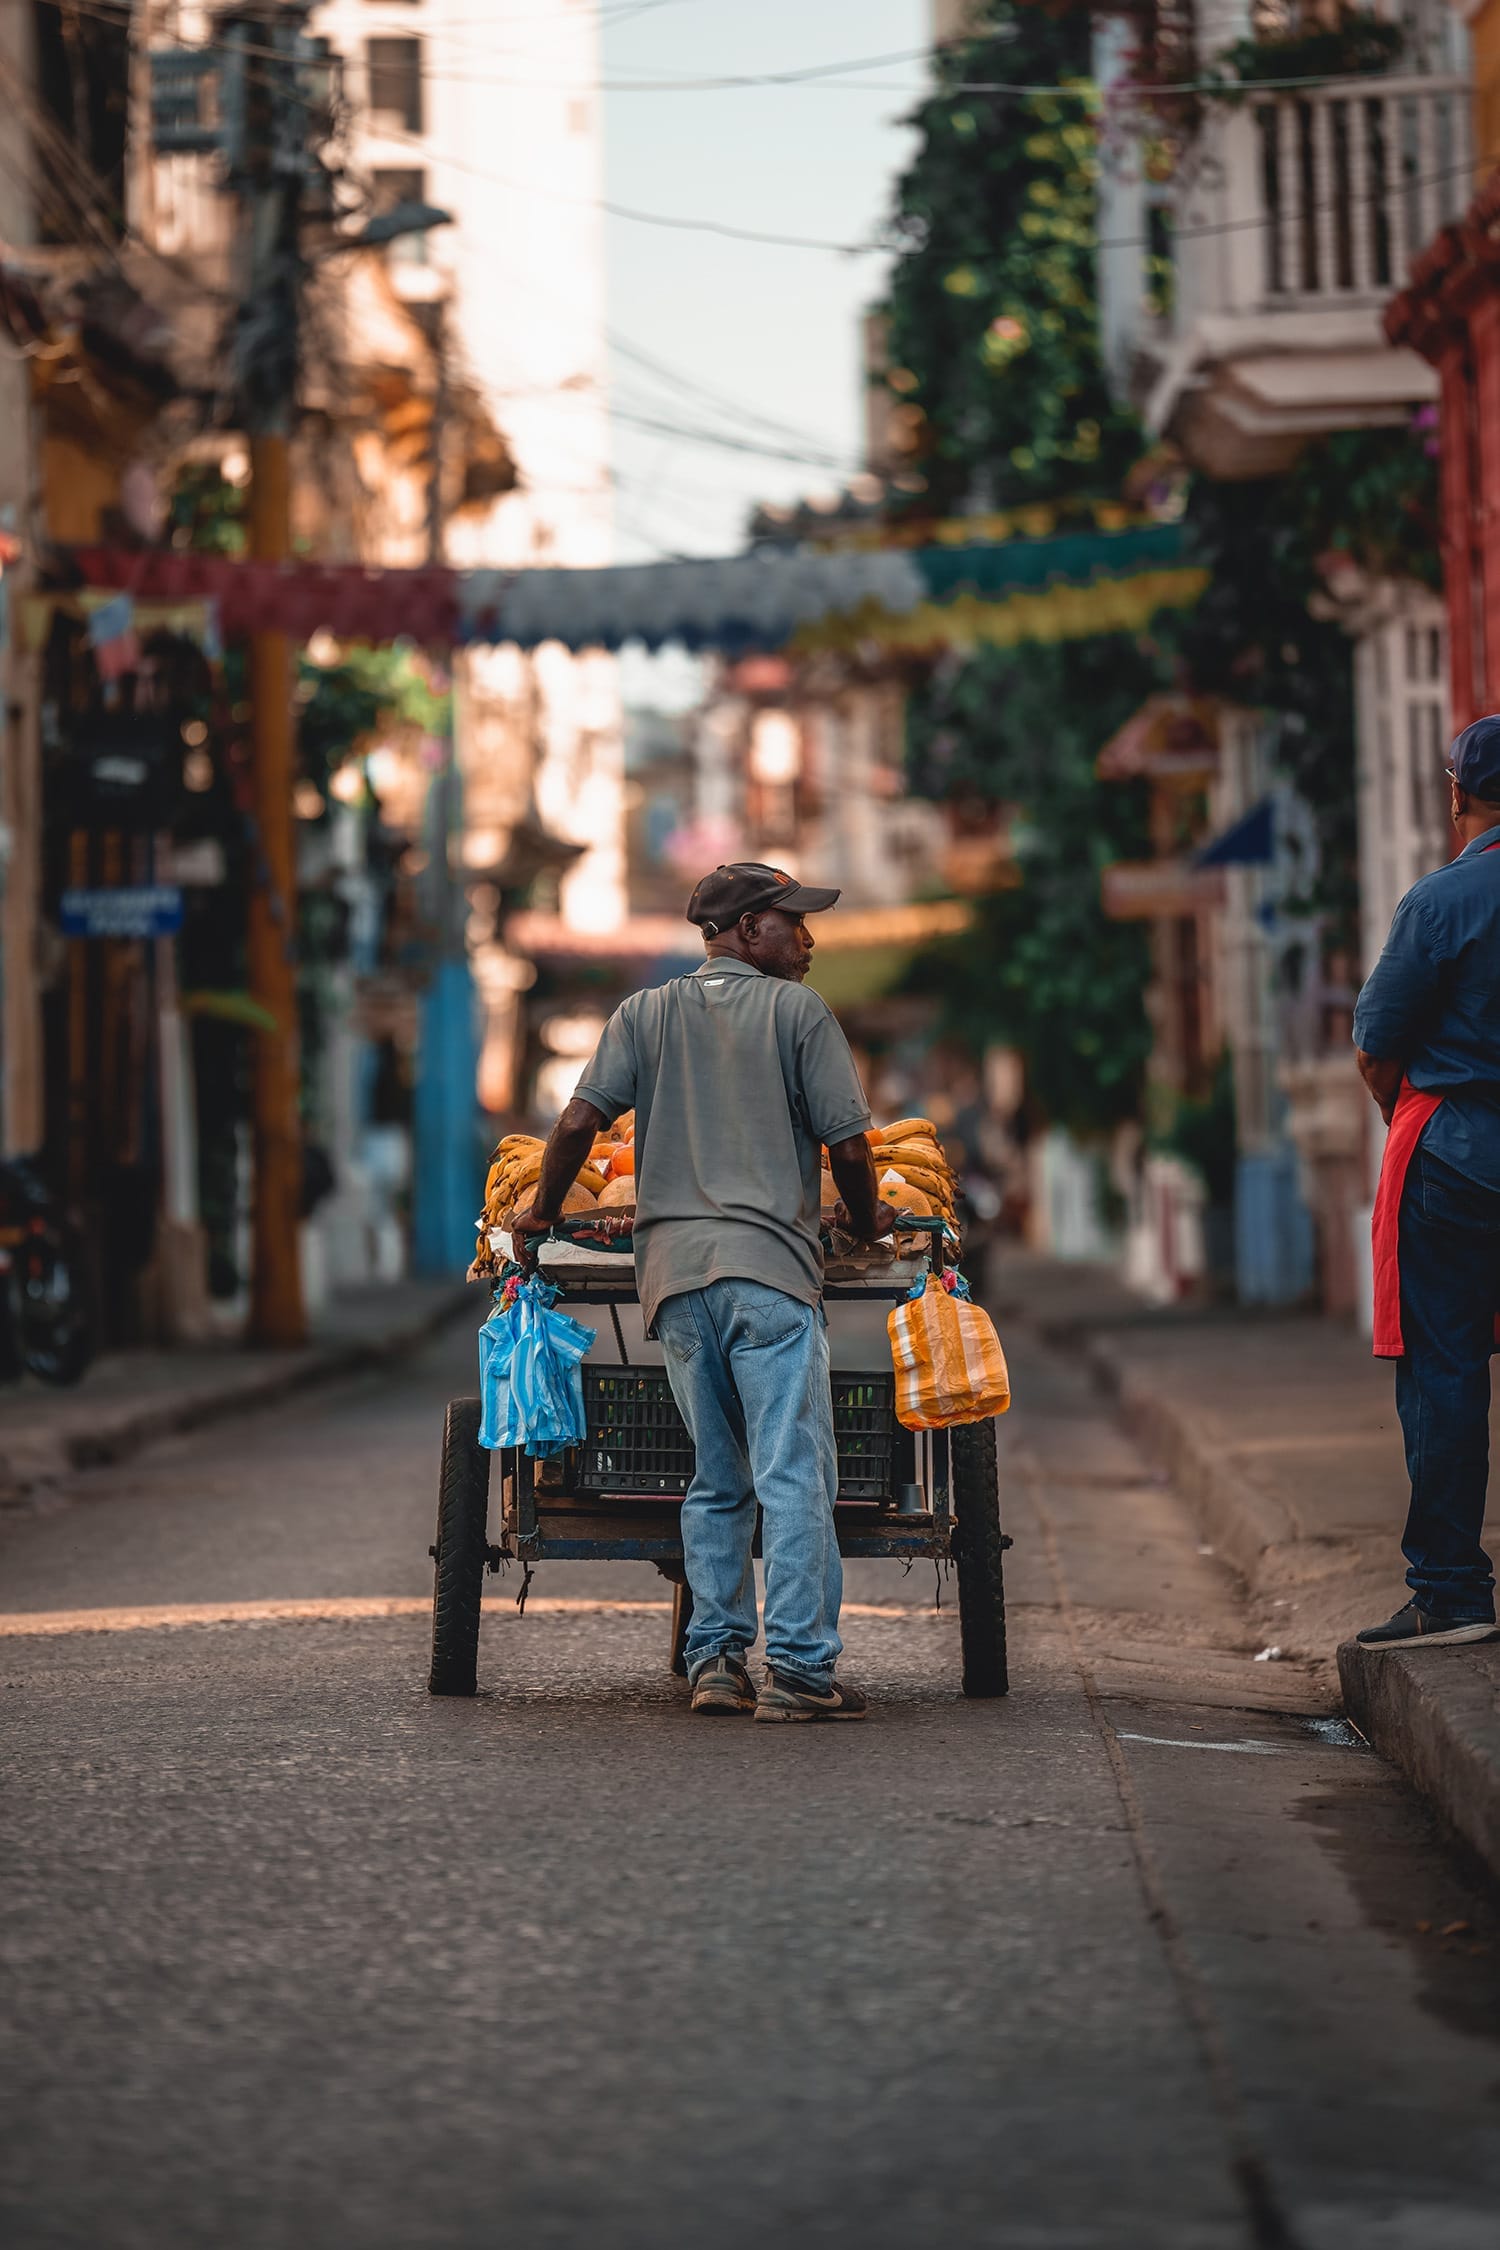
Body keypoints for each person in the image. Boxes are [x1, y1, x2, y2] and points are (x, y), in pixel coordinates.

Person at [512, 863, 895, 1720]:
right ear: (749, 928)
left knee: (718, 1477)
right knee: (793, 1474)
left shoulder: (642, 1014)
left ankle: (716, 1662)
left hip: (676, 1285)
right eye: (793, 922)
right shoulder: (799, 1014)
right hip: (770, 1275)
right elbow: (853, 1148)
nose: (807, 939)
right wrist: (868, 1226)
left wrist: (541, 1213)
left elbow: (578, 1121)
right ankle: (798, 1671)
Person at [1352, 715, 1500, 1649]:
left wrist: (1407, 1119)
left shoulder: (1442, 901)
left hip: (1456, 1151)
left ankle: (1451, 1593)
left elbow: (1376, 1046)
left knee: (1445, 1373)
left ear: (1458, 794)